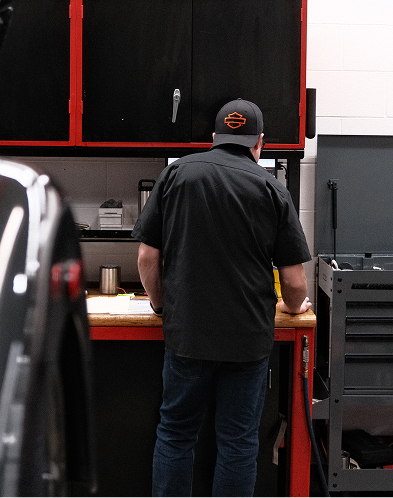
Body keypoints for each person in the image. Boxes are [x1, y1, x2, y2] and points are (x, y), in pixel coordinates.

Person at [132, 98, 312, 497]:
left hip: (188, 335)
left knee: (177, 434)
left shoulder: (177, 174)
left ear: (215, 138)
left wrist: (161, 305)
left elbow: (147, 257)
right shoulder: (272, 189)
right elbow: (296, 282)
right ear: (259, 142)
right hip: (246, 340)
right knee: (237, 443)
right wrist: (292, 307)